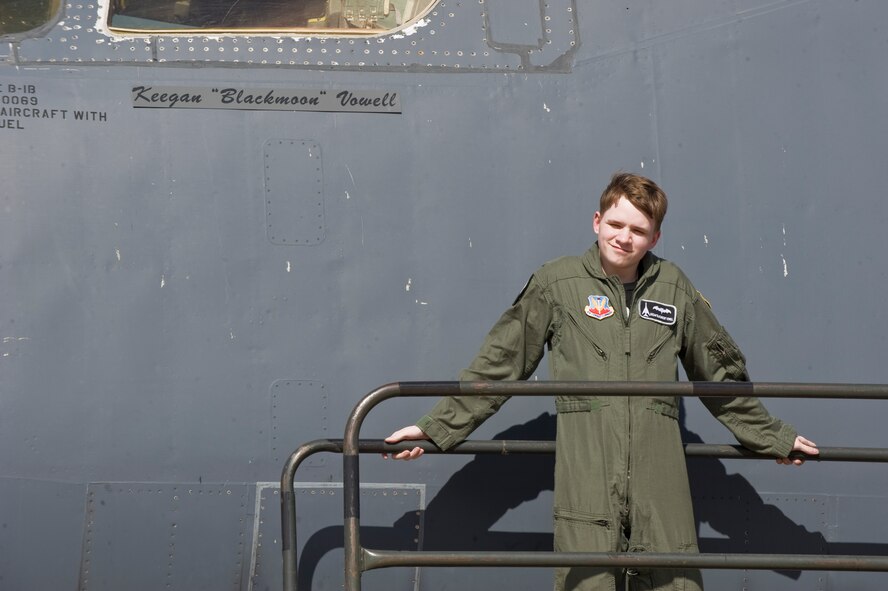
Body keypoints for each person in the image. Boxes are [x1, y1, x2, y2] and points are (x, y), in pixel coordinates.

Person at [384, 172, 819, 591]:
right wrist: (436, 428)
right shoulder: (557, 283)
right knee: (586, 579)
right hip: (587, 476)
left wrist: (772, 437)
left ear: (655, 238)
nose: (623, 237)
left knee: (673, 579)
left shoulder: (674, 288)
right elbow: (499, 365)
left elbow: (720, 377)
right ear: (597, 221)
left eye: (638, 229)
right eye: (615, 223)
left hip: (659, 480)